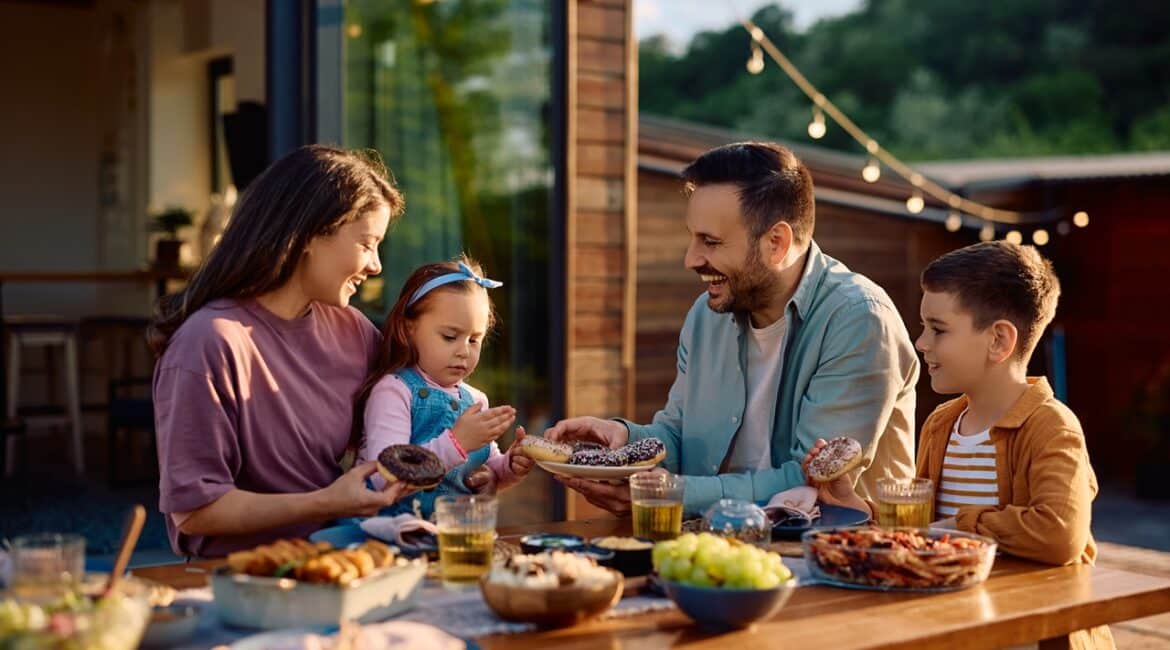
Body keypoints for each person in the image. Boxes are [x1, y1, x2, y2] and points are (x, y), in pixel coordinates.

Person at [546, 142, 919, 516]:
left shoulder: (859, 320)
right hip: (718, 554)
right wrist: (627, 438)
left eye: (710, 242)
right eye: (692, 238)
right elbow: (679, 435)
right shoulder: (706, 316)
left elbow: (813, 483)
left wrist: (670, 494)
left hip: (837, 561)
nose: (691, 259)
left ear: (777, 243)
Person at [805, 241, 1113, 648]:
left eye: (938, 329)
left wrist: (965, 528)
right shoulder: (942, 425)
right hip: (956, 629)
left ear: (998, 341)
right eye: (923, 327)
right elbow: (923, 533)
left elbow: (1060, 535)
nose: (921, 343)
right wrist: (855, 504)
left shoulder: (1051, 427)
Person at [150, 145, 410, 558]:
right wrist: (326, 501)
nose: (376, 265)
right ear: (310, 235)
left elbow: (415, 419)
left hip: (342, 561)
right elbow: (196, 511)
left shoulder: (354, 332)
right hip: (239, 580)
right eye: (367, 243)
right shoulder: (209, 343)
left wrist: (489, 465)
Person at [351, 256, 534, 518]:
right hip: (388, 535)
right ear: (407, 330)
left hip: (448, 541)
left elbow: (485, 470)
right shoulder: (394, 391)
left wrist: (509, 466)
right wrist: (457, 442)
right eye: (450, 337)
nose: (463, 351)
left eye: (474, 339)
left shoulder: (475, 400)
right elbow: (384, 477)